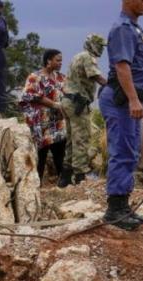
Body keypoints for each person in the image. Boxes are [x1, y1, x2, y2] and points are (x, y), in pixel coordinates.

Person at [100, 0, 143, 231]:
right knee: (121, 150)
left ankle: (123, 206)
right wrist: (133, 98)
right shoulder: (122, 28)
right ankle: (115, 210)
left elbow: (139, 69)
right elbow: (122, 67)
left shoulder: (134, 28)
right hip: (120, 99)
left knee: (130, 150)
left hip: (130, 98)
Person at [59, 34, 108, 188]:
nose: (101, 49)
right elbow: (96, 76)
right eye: (99, 45)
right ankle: (80, 177)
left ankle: (65, 176)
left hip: (68, 101)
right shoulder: (88, 57)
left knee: (71, 140)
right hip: (77, 102)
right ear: (93, 44)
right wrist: (112, 86)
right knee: (82, 138)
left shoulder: (77, 56)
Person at [20, 49, 67, 184]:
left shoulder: (60, 77)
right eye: (57, 60)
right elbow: (30, 95)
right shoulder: (35, 77)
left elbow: (67, 93)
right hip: (40, 123)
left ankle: (63, 186)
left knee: (60, 152)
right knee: (41, 154)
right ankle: (36, 185)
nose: (60, 63)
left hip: (57, 123)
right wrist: (54, 105)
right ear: (48, 61)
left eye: (61, 60)